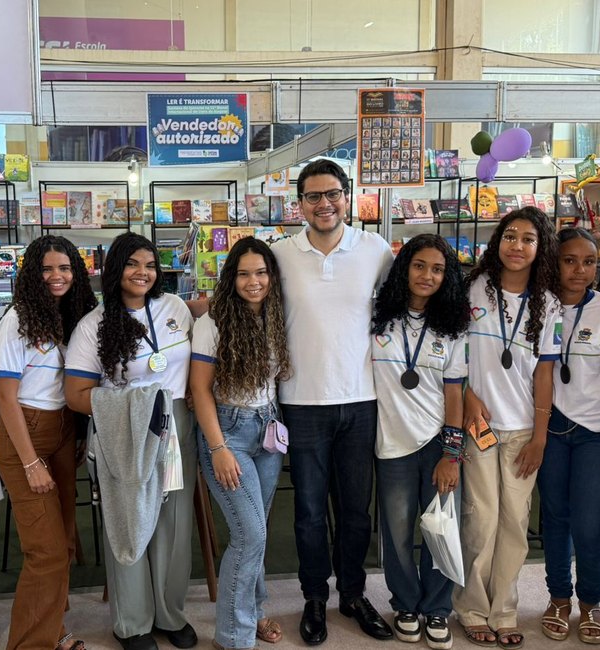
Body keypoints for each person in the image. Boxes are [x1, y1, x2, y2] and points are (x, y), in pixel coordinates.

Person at [270, 158, 394, 645]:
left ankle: (355, 594)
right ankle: (314, 597)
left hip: (362, 398)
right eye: (313, 196)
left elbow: (410, 301)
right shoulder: (280, 253)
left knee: (356, 510)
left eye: (332, 194)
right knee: (308, 511)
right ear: (298, 203)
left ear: (348, 196)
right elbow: (244, 298)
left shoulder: (376, 250)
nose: (324, 204)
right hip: (301, 401)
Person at [64, 232, 196, 650]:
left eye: (151, 264)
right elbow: (75, 395)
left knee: (173, 523)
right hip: (126, 433)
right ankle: (133, 623)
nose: (143, 272)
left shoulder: (174, 308)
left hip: (175, 427)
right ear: (115, 269)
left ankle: (169, 614)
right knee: (129, 522)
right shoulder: (94, 326)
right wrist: (133, 407)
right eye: (133, 264)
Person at [455, 207, 561, 649]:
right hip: (479, 423)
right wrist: (465, 396)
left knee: (515, 522)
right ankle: (472, 608)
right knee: (481, 520)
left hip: (521, 430)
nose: (517, 246)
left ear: (540, 249)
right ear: (497, 240)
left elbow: (544, 374)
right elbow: (450, 353)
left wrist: (539, 436)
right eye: (510, 236)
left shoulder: (549, 303)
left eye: (528, 239)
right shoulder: (471, 288)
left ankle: (504, 610)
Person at [0, 235, 97, 650]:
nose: (57, 276)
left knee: (65, 541)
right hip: (26, 435)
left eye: (65, 268)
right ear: (32, 275)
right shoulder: (17, 320)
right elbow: (5, 397)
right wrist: (31, 461)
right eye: (47, 269)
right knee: (46, 550)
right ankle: (30, 643)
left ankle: (51, 628)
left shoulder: (71, 315)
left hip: (63, 429)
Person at [189, 237, 291, 650]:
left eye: (262, 272)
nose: (254, 282)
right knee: (250, 534)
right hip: (227, 432)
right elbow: (199, 389)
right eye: (245, 273)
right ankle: (234, 637)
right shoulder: (213, 322)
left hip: (266, 428)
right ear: (231, 277)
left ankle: (256, 607)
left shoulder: (276, 315)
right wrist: (218, 449)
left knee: (258, 531)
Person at [370, 234, 469, 650]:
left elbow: (454, 393)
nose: (427, 275)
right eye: (419, 265)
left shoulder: (453, 325)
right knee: (395, 532)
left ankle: (437, 609)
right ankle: (406, 604)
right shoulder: (377, 318)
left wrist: (452, 453)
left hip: (436, 441)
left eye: (438, 269)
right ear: (404, 267)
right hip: (391, 442)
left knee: (441, 529)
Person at [538, 228, 600, 645]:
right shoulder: (539, 304)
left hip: (598, 431)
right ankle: (558, 596)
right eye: (570, 260)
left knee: (590, 524)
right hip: (551, 427)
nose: (580, 270)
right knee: (554, 518)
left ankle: (591, 601)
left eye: (590, 262)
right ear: (553, 262)